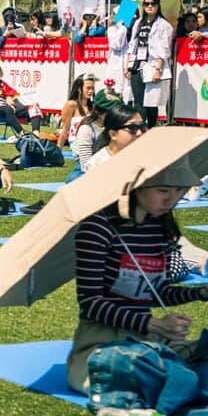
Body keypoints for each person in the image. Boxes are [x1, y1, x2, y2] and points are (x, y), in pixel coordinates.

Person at [67, 160, 208, 393]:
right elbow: (90, 303)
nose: (171, 200)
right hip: (102, 339)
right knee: (136, 376)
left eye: (179, 191)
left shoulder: (158, 227)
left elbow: (157, 292)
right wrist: (153, 323)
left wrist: (200, 293)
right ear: (136, 186)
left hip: (150, 337)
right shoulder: (97, 228)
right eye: (163, 191)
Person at [127, 0, 172, 129]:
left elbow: (164, 50)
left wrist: (158, 70)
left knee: (151, 103)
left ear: (158, 6)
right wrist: (128, 66)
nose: (150, 6)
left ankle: (151, 129)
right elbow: (132, 45)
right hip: (137, 66)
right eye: (146, 4)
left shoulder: (164, 25)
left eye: (153, 3)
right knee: (138, 102)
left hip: (153, 66)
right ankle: (140, 131)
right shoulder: (138, 22)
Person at [0, 52, 41, 136]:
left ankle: (36, 134)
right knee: (8, 109)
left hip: (9, 108)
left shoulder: (1, 83)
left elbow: (10, 94)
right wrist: (6, 106)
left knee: (34, 107)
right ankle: (22, 134)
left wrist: (9, 99)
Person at [84, 105, 145, 172]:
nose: (139, 133)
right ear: (113, 134)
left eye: (142, 126)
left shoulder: (145, 156)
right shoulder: (96, 165)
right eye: (132, 127)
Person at [72, 90, 120, 173]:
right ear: (98, 112)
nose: (116, 116)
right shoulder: (86, 129)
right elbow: (85, 165)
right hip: (88, 172)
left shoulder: (117, 127)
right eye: (111, 112)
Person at [55, 73, 96, 150]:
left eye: (92, 88)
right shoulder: (71, 105)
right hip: (78, 146)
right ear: (79, 88)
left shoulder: (93, 107)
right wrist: (58, 151)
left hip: (92, 144)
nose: (91, 91)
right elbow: (64, 130)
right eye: (88, 88)